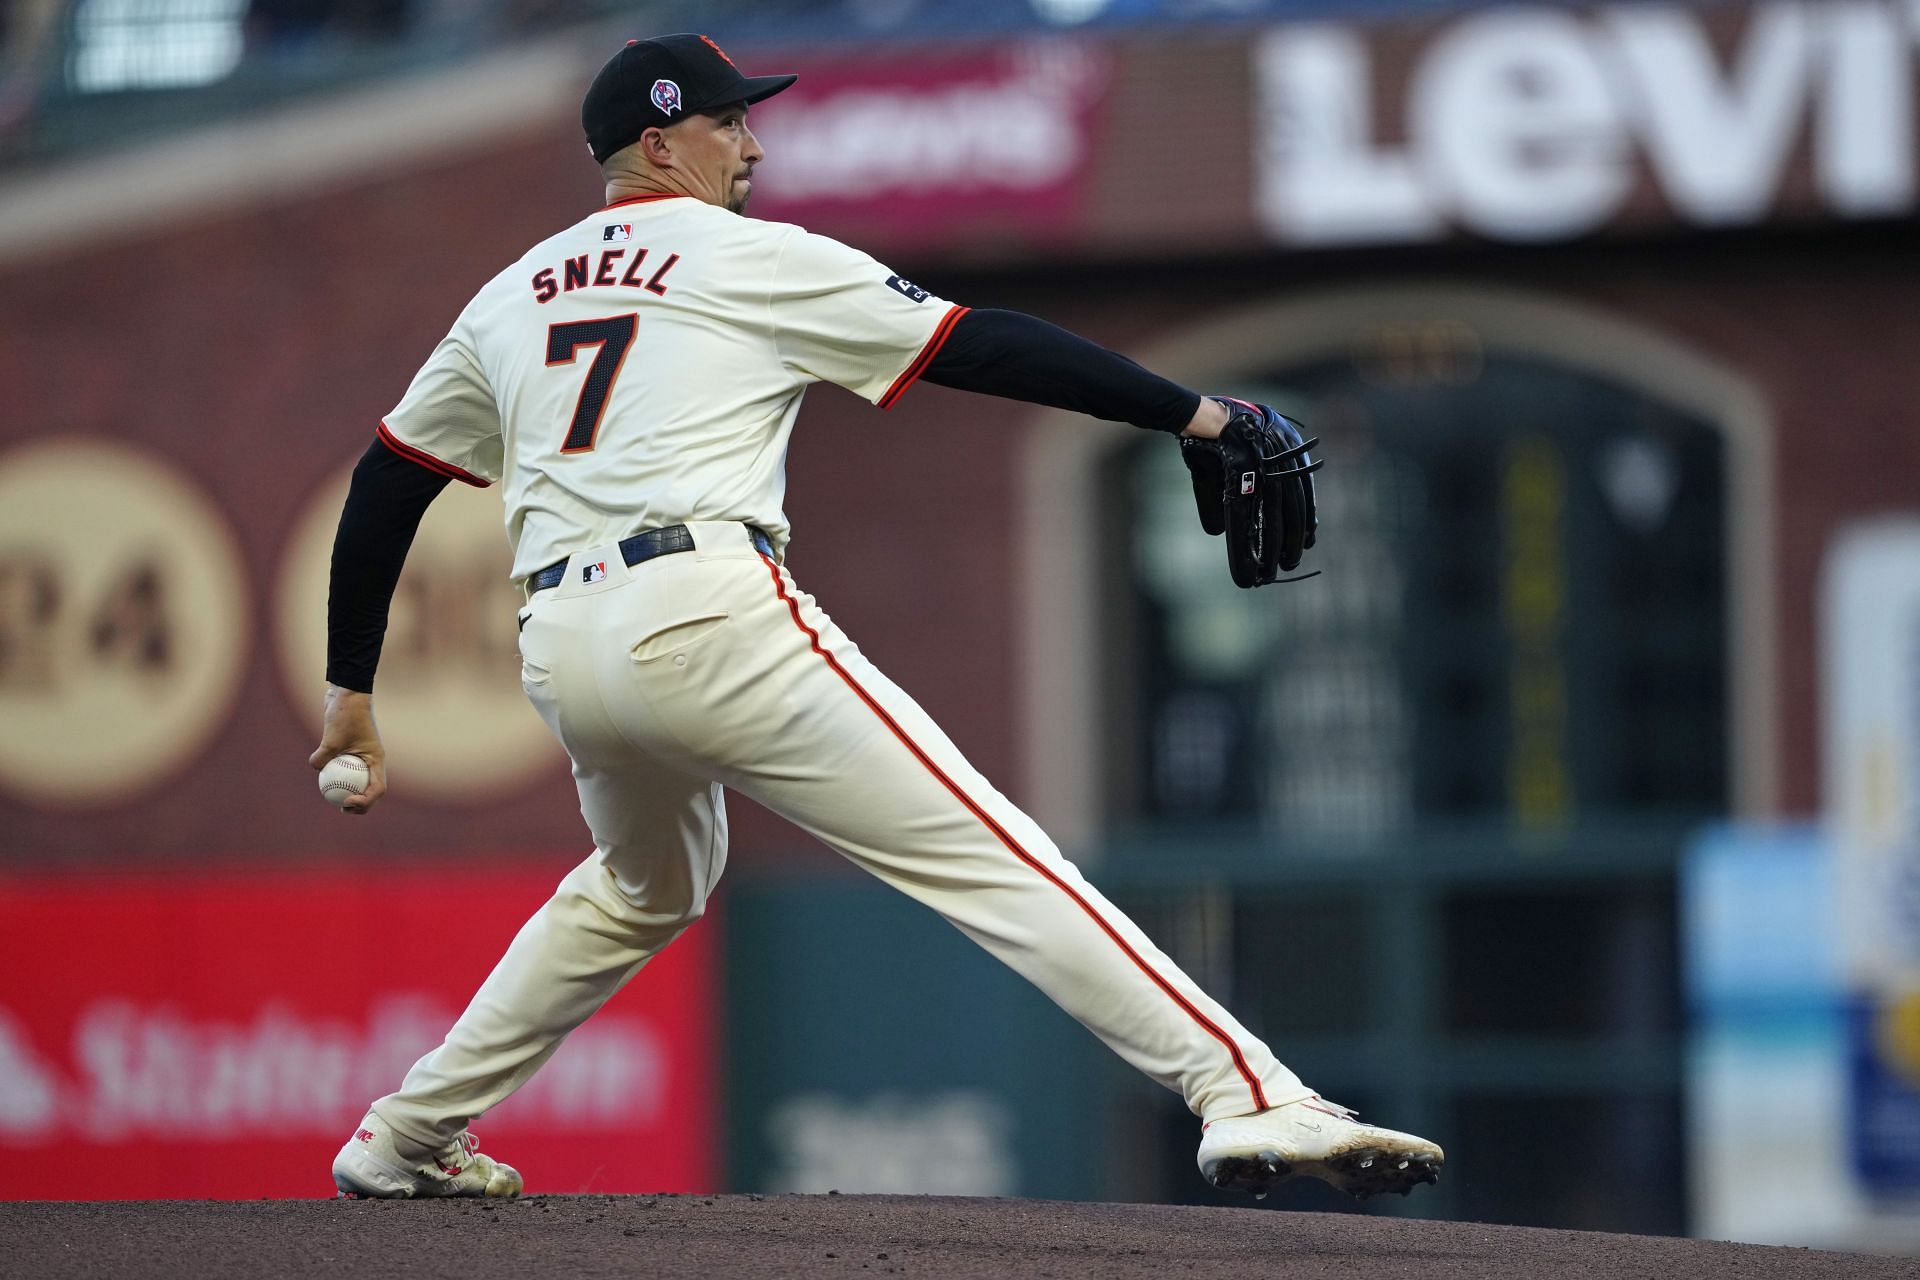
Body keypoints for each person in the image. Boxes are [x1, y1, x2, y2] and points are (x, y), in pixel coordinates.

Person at [315, 32, 1443, 1203]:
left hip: (563, 646)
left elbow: (388, 479)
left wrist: (352, 693)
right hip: (708, 611)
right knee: (991, 854)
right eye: (728, 121)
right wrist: (1196, 414)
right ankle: (1250, 1095)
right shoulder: (747, 255)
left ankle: (406, 1135)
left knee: (643, 885)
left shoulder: (509, 294)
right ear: (658, 144)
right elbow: (981, 343)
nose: (752, 140)